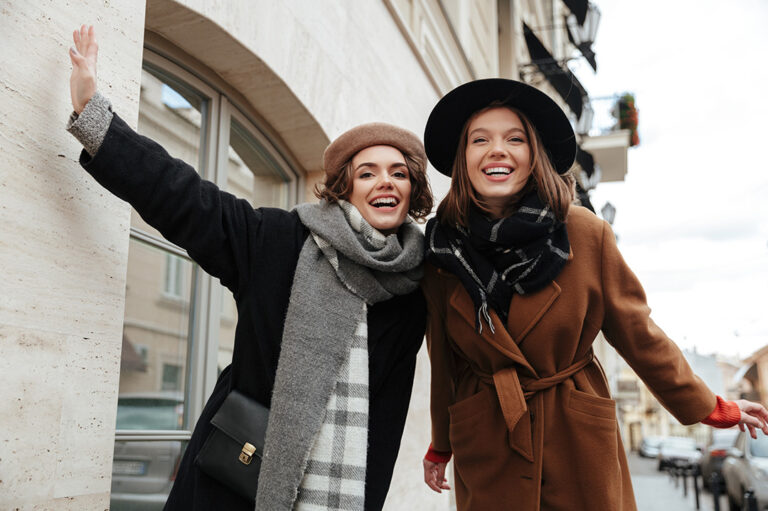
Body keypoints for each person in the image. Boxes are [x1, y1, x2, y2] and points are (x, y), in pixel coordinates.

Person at [66, 25, 433, 511]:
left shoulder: (413, 285)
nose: (384, 182)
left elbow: (388, 419)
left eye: (398, 173)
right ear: (345, 188)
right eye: (367, 173)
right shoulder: (280, 241)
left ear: (412, 191)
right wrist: (96, 119)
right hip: (239, 489)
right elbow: (185, 199)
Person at [418, 78, 768, 510]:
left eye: (515, 139)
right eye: (479, 140)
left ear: (534, 156)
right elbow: (443, 361)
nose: (497, 150)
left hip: (574, 430)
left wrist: (707, 405)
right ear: (463, 158)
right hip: (488, 435)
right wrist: (441, 443)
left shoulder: (584, 233)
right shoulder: (440, 251)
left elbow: (639, 334)